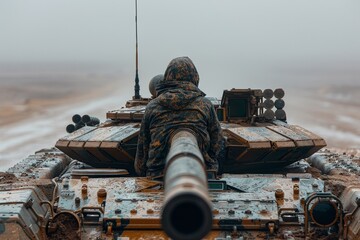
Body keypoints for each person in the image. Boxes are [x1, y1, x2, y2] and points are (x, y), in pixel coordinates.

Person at [134, 56, 224, 176]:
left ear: (168, 77)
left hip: (158, 176)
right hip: (201, 175)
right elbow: (218, 142)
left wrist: (144, 172)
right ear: (194, 77)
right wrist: (210, 163)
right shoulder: (205, 105)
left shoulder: (153, 106)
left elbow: (142, 150)